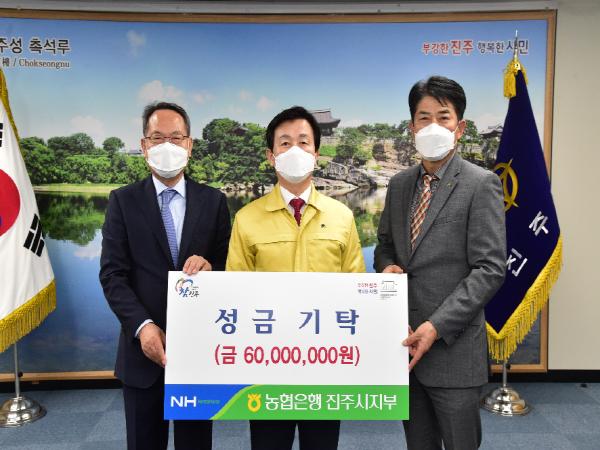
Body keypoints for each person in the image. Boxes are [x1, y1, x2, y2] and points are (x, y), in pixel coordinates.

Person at [374, 76, 506, 450]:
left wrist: (436, 325)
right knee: (418, 443)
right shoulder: (400, 185)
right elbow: (385, 246)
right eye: (424, 117)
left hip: (453, 348)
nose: (433, 126)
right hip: (403, 346)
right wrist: (386, 267)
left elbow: (490, 268)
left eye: (443, 117)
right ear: (412, 127)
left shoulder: (481, 184)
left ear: (459, 128)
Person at [226, 106, 365, 450]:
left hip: (325, 366)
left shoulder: (342, 217)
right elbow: (235, 293)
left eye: (304, 142)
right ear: (271, 156)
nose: (295, 151)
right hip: (267, 367)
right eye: (285, 143)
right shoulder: (246, 218)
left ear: (316, 154)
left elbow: (357, 290)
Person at [99, 102, 231, 450]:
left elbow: (227, 266)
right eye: (158, 138)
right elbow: (113, 274)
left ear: (189, 145)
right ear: (144, 146)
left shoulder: (214, 201)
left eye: (176, 137)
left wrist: (211, 268)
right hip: (141, 352)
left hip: (198, 352)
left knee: (195, 445)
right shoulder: (123, 201)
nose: (167, 146)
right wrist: (143, 326)